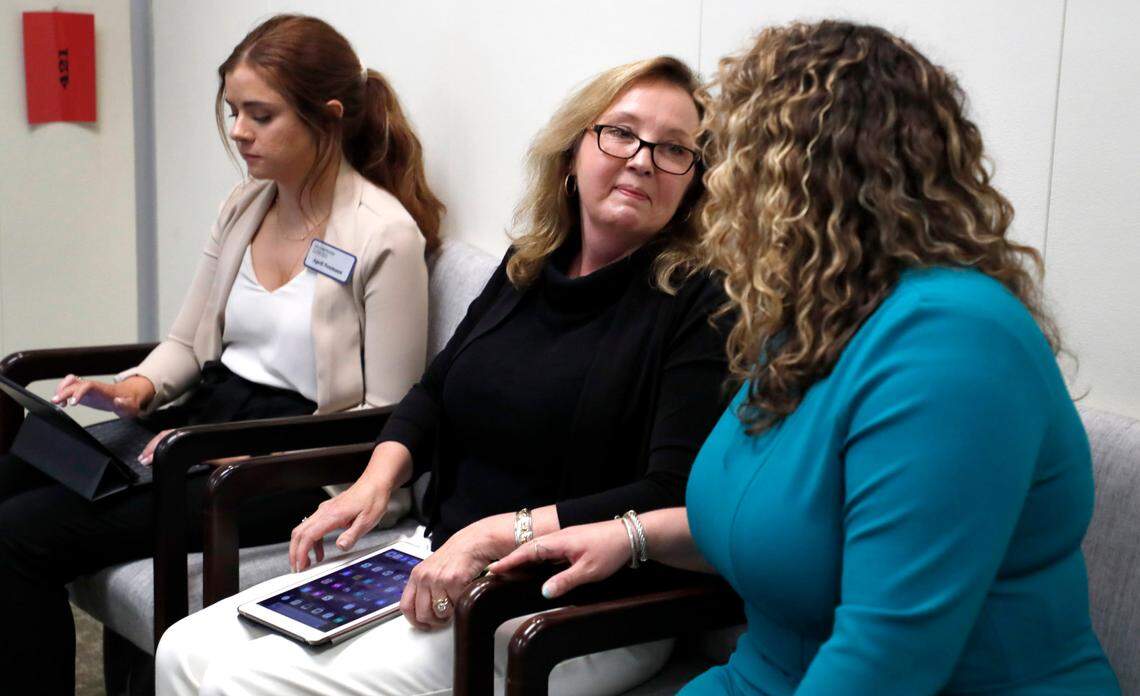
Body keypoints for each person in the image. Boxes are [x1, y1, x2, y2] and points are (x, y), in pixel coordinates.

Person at [491, 20, 1121, 695]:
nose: (718, 183)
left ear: (795, 179)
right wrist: (630, 538)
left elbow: (885, 662)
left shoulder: (955, 340)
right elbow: (788, 526)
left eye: (728, 154)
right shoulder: (810, 322)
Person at [155, 55, 733, 696]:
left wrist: (495, 534)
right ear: (573, 153)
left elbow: (673, 493)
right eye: (621, 132)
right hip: (439, 557)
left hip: (575, 610)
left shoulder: (699, 302)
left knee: (248, 681)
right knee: (181, 649)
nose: (643, 159)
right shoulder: (531, 265)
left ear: (692, 184)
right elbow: (434, 390)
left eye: (674, 149)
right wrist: (373, 482)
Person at [0, 14, 443, 695]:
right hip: (206, 420)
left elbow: (388, 415)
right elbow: (186, 343)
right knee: (11, 473)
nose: (239, 130)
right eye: (235, 111)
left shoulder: (384, 234)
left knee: (21, 535)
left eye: (260, 115)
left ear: (327, 118)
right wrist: (135, 390)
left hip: (295, 459)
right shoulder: (245, 206)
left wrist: (254, 455)